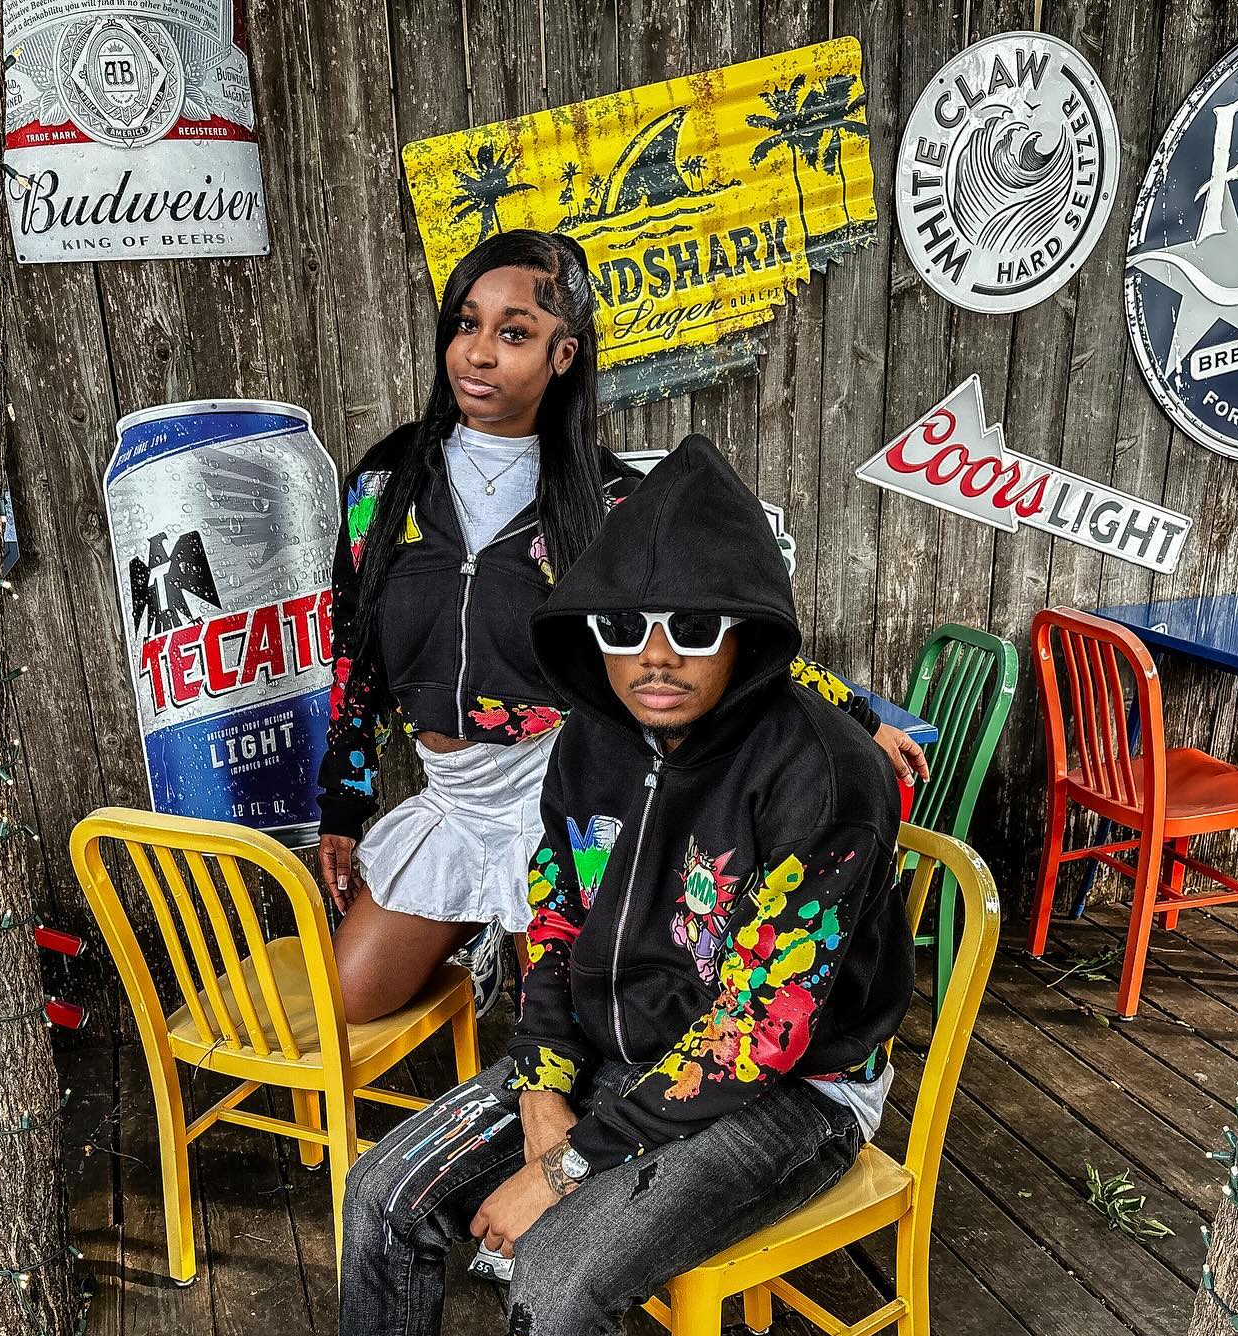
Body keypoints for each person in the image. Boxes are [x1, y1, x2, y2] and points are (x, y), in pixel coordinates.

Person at [215, 436, 916, 1336]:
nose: (656, 655)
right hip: (608, 1055)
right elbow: (549, 931)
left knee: (560, 1276)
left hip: (794, 1089)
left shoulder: (826, 773)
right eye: (625, 624)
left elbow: (760, 1033)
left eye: (694, 626)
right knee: (385, 1192)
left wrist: (573, 1164)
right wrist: (542, 1094)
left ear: (750, 628)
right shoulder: (590, 740)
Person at [314, 230, 925, 1026]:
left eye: (514, 333)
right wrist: (343, 805)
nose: (479, 353)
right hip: (455, 793)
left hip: (562, 782)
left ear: (562, 354)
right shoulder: (384, 485)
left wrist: (859, 720)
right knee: (351, 1000)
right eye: (466, 323)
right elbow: (355, 650)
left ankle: (527, 960)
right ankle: (487, 940)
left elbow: (729, 636)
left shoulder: (611, 504)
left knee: (576, 1020)